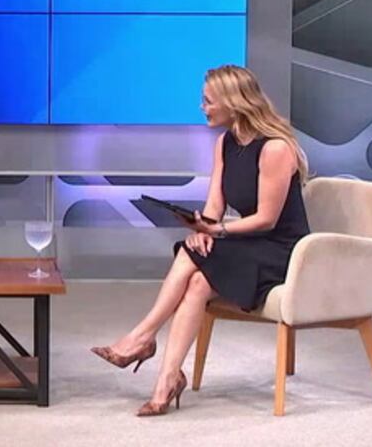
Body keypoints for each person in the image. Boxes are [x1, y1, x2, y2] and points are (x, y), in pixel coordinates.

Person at [91, 65, 311, 416]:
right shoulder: (226, 143)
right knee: (195, 275)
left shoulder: (275, 148)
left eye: (208, 101)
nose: (202, 107)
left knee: (190, 260)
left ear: (234, 102)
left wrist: (217, 232)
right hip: (247, 243)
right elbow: (214, 206)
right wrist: (201, 231)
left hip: (283, 251)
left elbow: (267, 219)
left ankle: (141, 337)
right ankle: (166, 381)